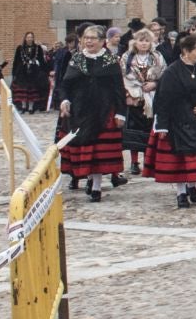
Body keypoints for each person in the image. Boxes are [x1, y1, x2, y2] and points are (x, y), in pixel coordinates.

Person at [57, 25, 129, 200]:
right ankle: (89, 179)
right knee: (86, 148)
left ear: (103, 41)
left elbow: (119, 88)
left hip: (103, 111)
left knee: (98, 150)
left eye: (93, 38)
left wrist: (121, 112)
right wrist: (65, 101)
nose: (88, 41)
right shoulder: (76, 59)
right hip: (80, 111)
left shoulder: (110, 61)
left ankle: (96, 187)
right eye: (86, 38)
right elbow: (65, 84)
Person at [148, 34, 196, 208]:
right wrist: (161, 126)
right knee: (181, 159)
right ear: (186, 51)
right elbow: (163, 100)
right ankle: (181, 193)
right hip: (178, 120)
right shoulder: (172, 71)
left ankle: (193, 187)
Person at [120, 29, 165, 176]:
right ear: (135, 42)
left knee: (149, 129)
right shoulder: (127, 57)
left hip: (153, 98)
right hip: (134, 98)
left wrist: (155, 84)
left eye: (147, 41)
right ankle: (134, 162)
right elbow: (123, 76)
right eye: (141, 40)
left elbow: (165, 74)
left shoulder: (157, 57)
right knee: (133, 131)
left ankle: (148, 160)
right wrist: (135, 90)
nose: (144, 43)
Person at [12, 32, 50, 113]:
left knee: (32, 89)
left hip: (34, 71)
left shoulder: (37, 48)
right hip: (22, 72)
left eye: (31, 37)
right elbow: (16, 60)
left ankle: (31, 107)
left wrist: (45, 71)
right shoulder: (20, 48)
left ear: (33, 38)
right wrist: (14, 72)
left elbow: (41, 60)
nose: (29, 39)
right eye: (28, 37)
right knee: (23, 89)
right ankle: (23, 106)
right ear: (25, 38)